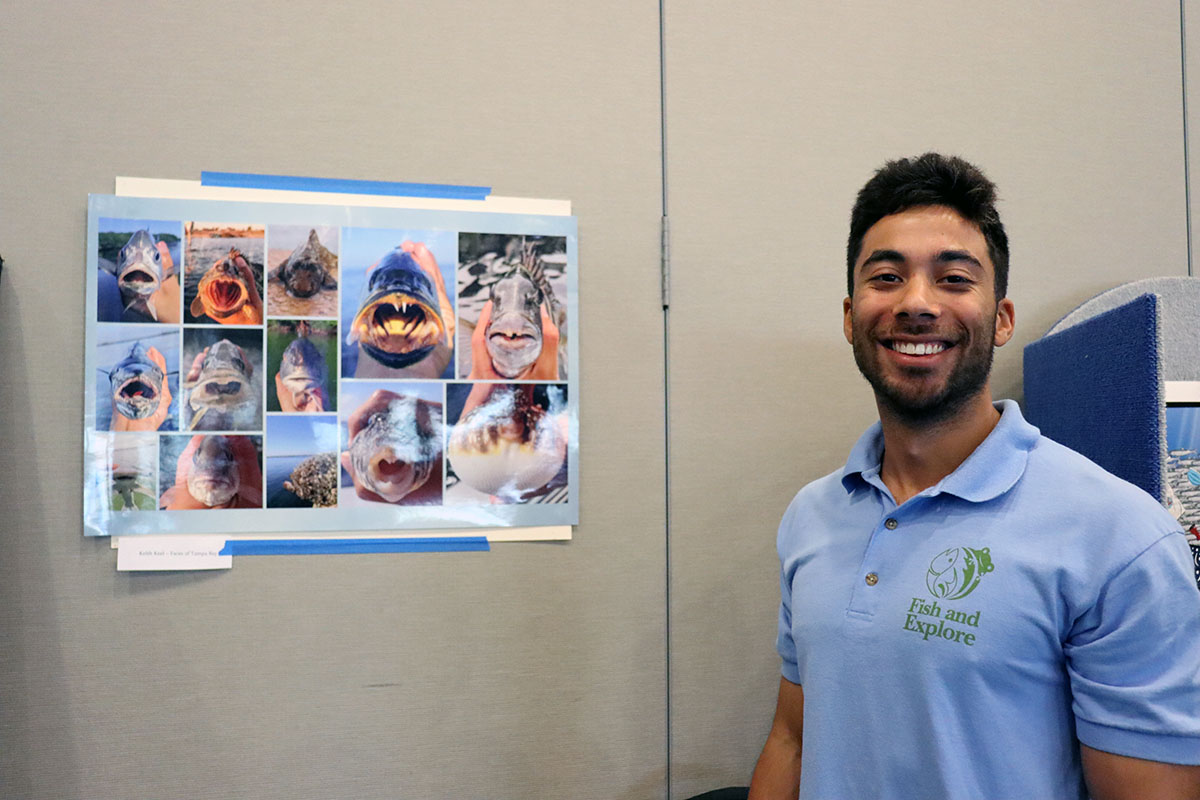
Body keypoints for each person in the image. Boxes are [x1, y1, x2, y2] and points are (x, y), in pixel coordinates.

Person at [748, 153, 1200, 800]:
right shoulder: (810, 518)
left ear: (1002, 319)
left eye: (954, 278)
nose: (917, 304)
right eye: (886, 277)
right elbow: (792, 738)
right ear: (851, 316)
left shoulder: (1120, 539)